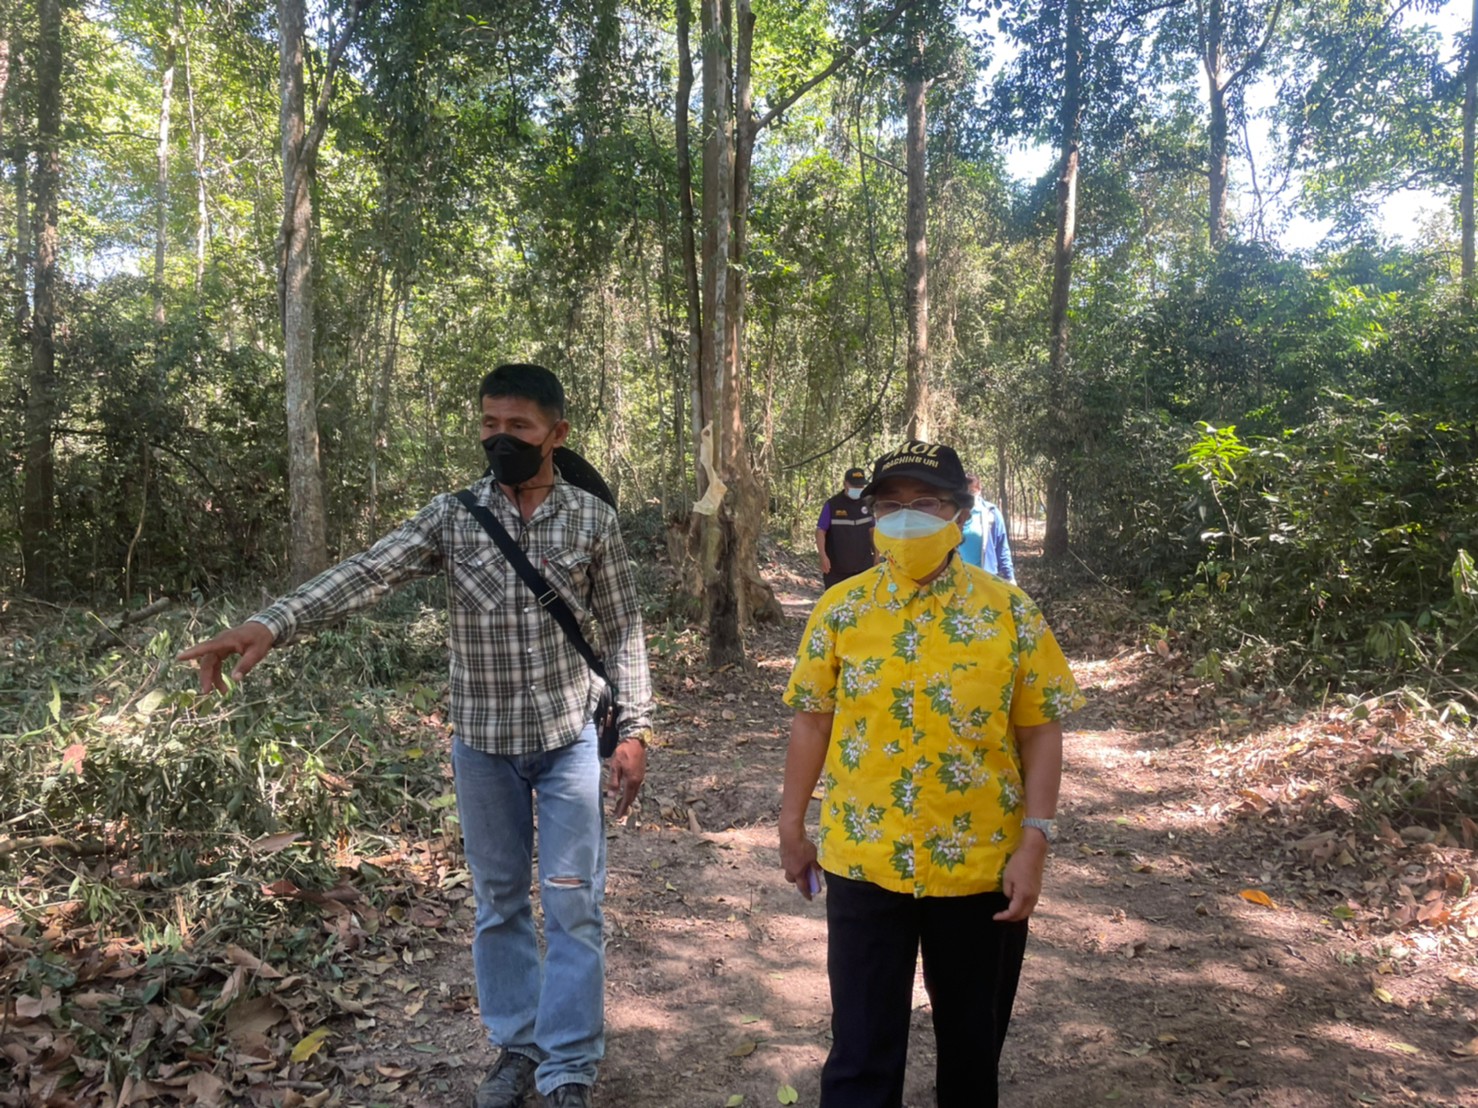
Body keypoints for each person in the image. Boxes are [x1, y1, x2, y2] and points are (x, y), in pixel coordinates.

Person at [178, 363, 654, 1108]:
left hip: (569, 743)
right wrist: (272, 622)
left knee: (573, 903)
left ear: (556, 434)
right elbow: (368, 571)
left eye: (519, 427)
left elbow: (624, 628)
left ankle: (568, 1066)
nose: (500, 439)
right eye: (490, 424)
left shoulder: (593, 521)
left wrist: (636, 730)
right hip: (483, 745)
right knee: (500, 903)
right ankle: (518, 1047)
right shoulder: (453, 517)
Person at [778, 440, 1082, 1108]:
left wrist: (1034, 840)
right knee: (859, 1056)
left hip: (980, 864)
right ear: (873, 518)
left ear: (960, 515)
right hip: (866, 860)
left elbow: (1040, 730)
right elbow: (813, 721)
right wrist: (791, 824)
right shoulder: (840, 611)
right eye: (891, 505)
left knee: (972, 1053)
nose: (907, 517)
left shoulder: (1010, 613)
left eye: (926, 503)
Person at [816, 466, 877, 589]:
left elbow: (872, 531)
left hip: (863, 567)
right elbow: (820, 531)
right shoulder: (832, 505)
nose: (858, 488)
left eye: (860, 486)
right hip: (836, 569)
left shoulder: (867, 504)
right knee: (835, 599)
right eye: (854, 485)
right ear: (845, 484)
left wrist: (876, 555)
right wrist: (823, 555)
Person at [957, 474, 1015, 583]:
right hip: (958, 578)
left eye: (971, 492)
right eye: (964, 492)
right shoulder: (953, 514)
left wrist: (1009, 577)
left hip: (985, 578)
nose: (968, 496)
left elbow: (1002, 547)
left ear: (979, 490)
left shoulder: (991, 513)